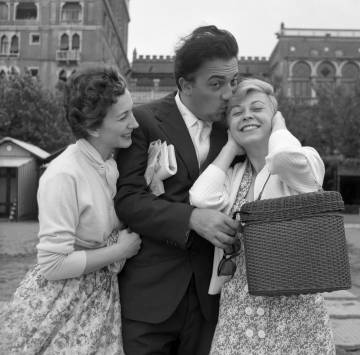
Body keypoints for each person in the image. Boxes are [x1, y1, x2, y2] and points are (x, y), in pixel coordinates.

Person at [114, 25, 240, 355]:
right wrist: (192, 218)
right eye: (216, 84)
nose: (228, 93)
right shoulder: (144, 121)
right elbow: (129, 200)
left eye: (233, 82)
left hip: (210, 302)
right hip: (149, 298)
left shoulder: (235, 132)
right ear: (185, 84)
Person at [0, 66, 141, 354]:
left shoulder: (112, 164)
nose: (135, 123)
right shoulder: (64, 174)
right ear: (93, 128)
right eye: (124, 116)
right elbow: (52, 265)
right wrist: (119, 251)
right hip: (62, 304)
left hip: (101, 300)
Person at [189, 78, 335, 354]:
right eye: (236, 112)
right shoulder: (233, 176)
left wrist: (279, 126)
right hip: (239, 313)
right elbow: (200, 197)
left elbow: (282, 159)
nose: (247, 115)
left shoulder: (305, 160)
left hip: (296, 313)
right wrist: (231, 147)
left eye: (257, 108)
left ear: (275, 117)